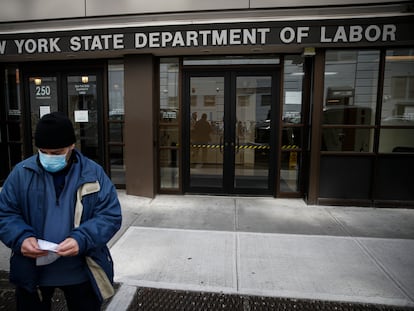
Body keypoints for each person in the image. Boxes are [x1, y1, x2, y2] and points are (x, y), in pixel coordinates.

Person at [0, 112, 122, 311]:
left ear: (72, 146)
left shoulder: (93, 173)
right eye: (43, 151)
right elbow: (5, 213)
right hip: (32, 271)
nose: (49, 157)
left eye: (57, 153)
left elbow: (109, 215)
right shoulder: (20, 173)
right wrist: (21, 238)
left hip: (82, 269)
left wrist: (81, 239)